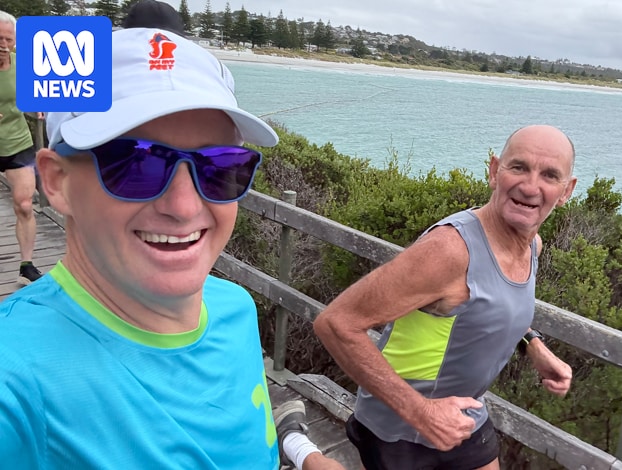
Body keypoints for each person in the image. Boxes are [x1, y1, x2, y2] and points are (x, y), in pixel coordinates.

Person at [0, 24, 339, 469]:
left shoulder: (233, 308)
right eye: (136, 164)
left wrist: (303, 452)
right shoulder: (16, 378)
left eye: (221, 166)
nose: (184, 206)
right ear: (57, 182)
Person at [314, 124, 577, 469]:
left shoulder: (532, 246)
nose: (530, 186)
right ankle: (304, 450)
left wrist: (533, 345)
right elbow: (336, 323)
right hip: (400, 427)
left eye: (549, 175)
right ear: (495, 171)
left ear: (566, 191)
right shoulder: (449, 251)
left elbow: (492, 306)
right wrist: (420, 412)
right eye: (519, 167)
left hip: (464, 415)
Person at [0, 10, 43, 285]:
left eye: (8, 39)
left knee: (25, 205)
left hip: (17, 142)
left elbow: (33, 93)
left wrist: (39, 106)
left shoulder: (22, 65)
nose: (3, 44)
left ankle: (26, 265)